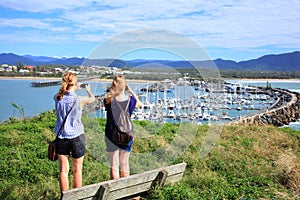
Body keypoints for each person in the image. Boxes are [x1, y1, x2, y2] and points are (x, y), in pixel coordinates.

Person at [53, 72, 95, 191]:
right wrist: (87, 90)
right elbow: (92, 99)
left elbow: (60, 93)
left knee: (63, 171)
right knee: (77, 170)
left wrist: (70, 86)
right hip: (77, 137)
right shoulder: (79, 99)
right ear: (75, 83)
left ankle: (65, 197)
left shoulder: (57, 98)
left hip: (61, 137)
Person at [104, 75, 142, 179]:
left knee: (114, 165)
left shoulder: (108, 101)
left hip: (111, 134)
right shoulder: (130, 101)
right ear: (125, 86)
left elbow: (109, 97)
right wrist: (131, 92)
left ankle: (115, 192)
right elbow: (139, 103)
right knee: (124, 163)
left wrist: (111, 91)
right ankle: (125, 192)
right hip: (127, 134)